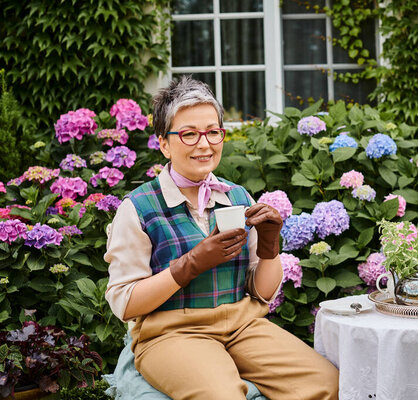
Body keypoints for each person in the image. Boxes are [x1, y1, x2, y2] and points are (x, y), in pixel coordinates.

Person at [104, 76, 339, 400]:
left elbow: (261, 292)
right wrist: (190, 264)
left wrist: (270, 245)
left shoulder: (238, 197)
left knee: (328, 384)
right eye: (189, 134)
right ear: (164, 143)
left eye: (213, 132)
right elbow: (125, 303)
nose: (204, 144)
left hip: (243, 326)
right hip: (170, 334)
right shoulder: (139, 208)